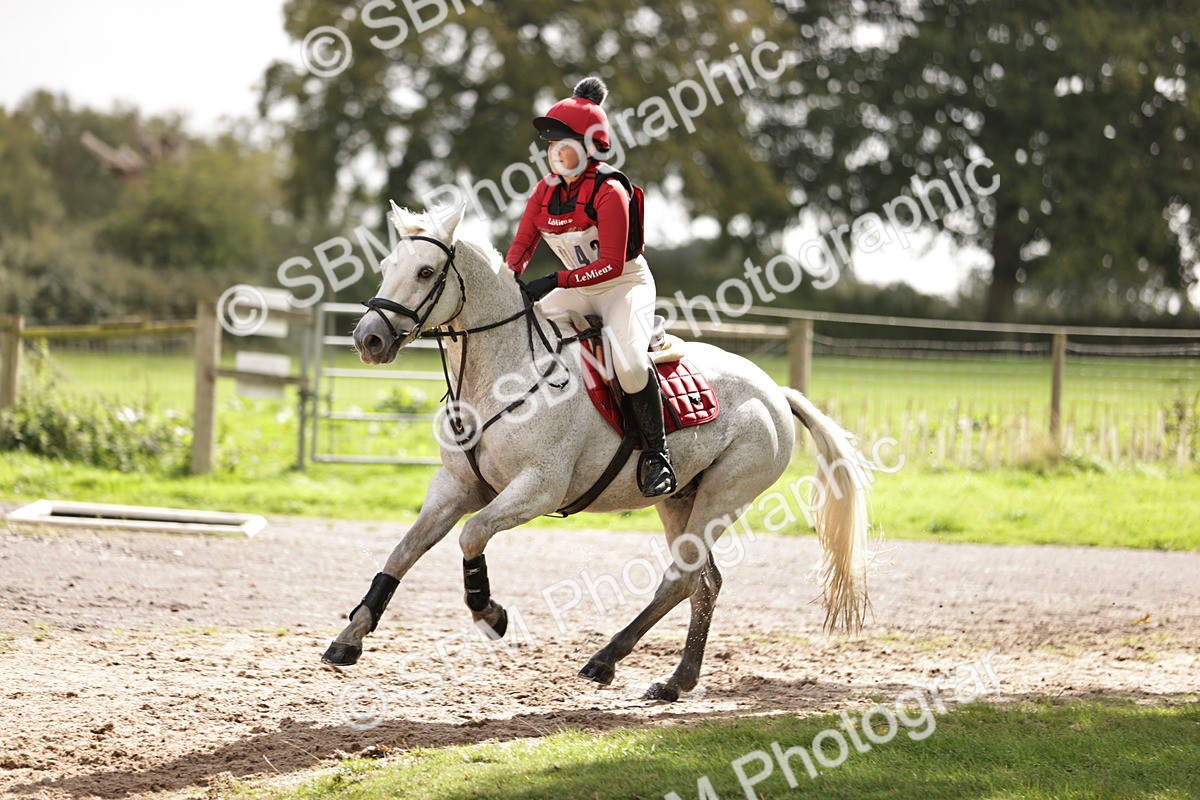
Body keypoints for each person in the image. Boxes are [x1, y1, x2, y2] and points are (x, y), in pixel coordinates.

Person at [504, 77, 677, 498]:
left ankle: (658, 455)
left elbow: (612, 264)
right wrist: (507, 280)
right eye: (550, 145)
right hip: (580, 289)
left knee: (629, 365)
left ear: (589, 147)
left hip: (624, 286)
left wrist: (555, 280)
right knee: (524, 327)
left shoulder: (610, 190)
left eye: (562, 144)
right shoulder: (544, 191)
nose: (553, 153)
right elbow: (522, 246)